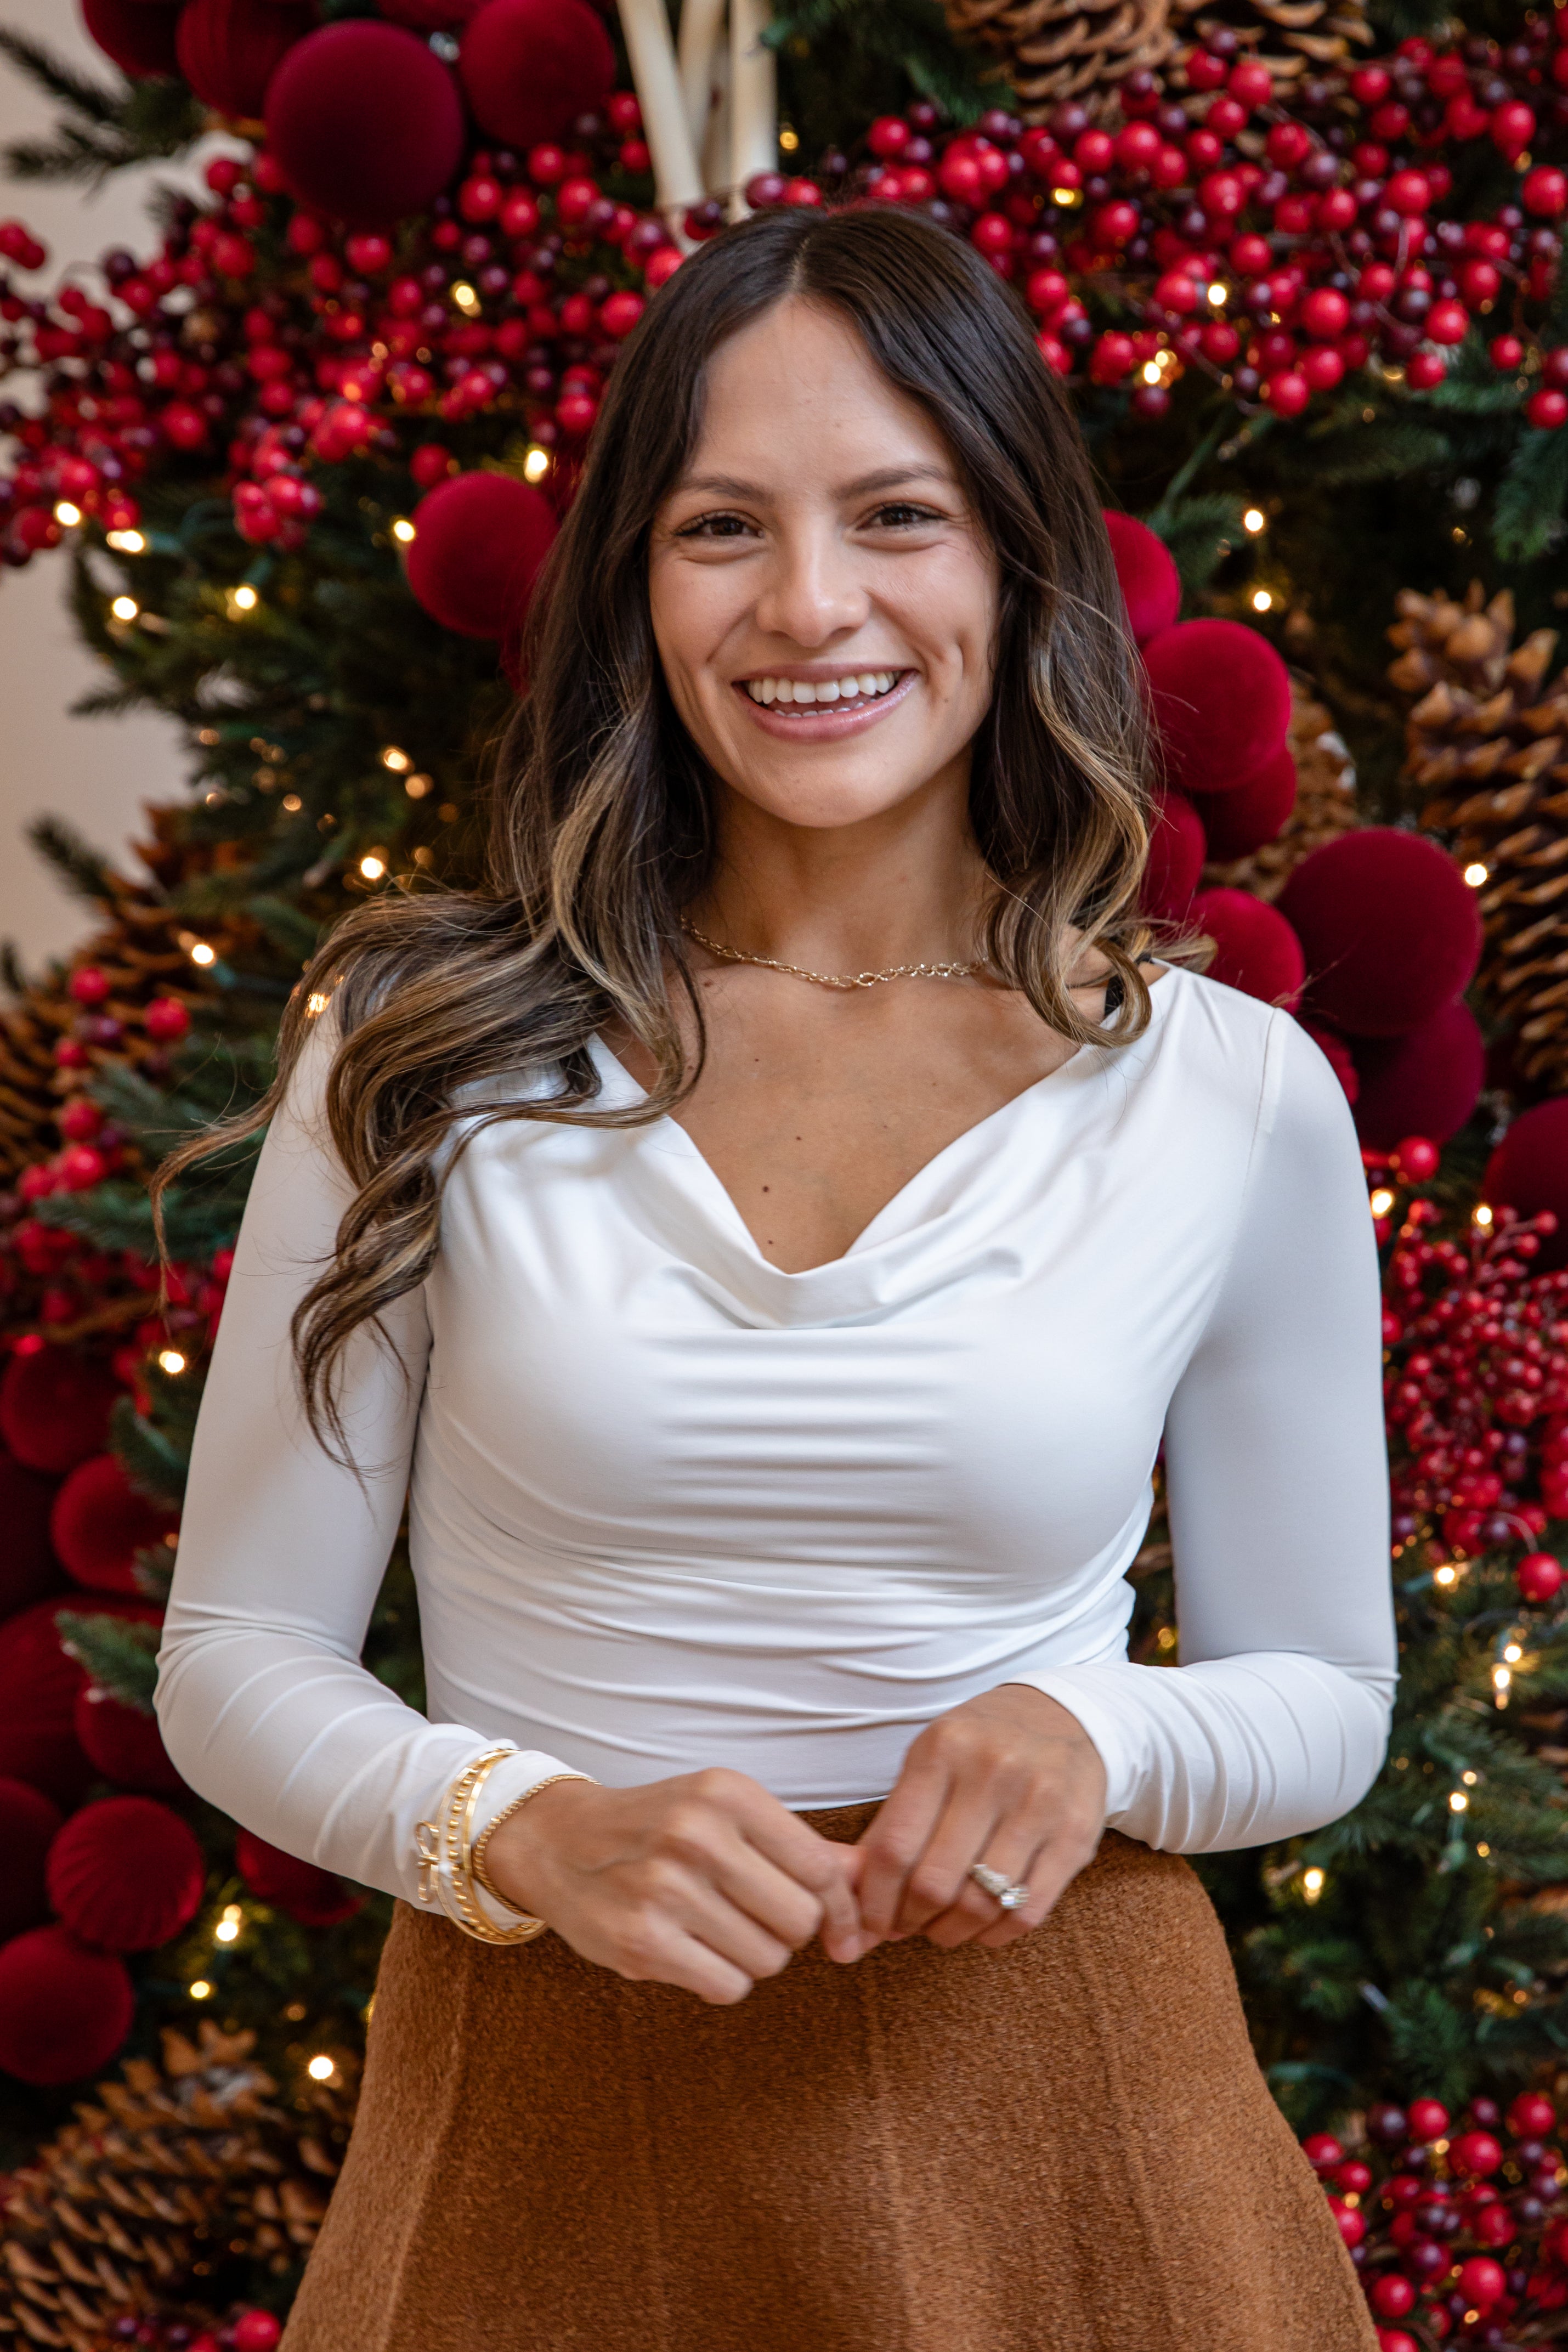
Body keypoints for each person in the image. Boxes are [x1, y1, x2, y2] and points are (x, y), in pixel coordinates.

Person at [155, 204, 1393, 2352]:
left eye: (897, 515)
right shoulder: (419, 1056)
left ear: (1011, 561)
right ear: (636, 585)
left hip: (1077, 2131)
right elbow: (236, 1654)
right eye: (722, 526)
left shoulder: (1227, 1095)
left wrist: (1094, 1728)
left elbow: (1323, 1696)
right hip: (551, 2102)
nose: (810, 605)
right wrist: (514, 1826)